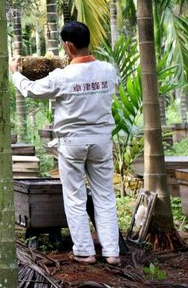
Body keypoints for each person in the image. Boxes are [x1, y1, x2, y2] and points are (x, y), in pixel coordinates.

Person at [10, 21, 120, 265]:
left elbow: (31, 90)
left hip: (72, 142)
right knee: (105, 196)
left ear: (68, 45)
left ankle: (85, 252)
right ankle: (112, 252)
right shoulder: (108, 70)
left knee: (75, 197)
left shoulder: (62, 77)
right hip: (101, 140)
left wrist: (15, 73)